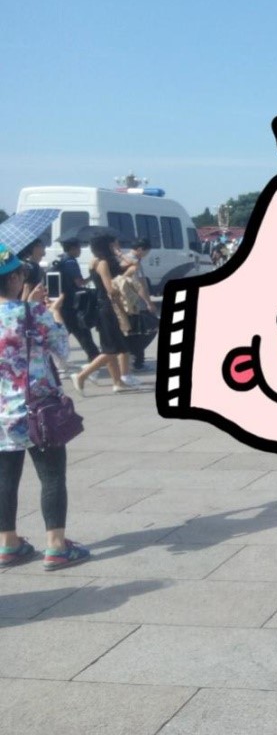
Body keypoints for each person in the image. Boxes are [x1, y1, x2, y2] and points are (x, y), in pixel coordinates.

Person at [0, 245, 90, 570]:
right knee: (51, 476)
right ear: (15, 278)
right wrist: (54, 312)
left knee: (5, 479)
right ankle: (56, 546)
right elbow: (63, 351)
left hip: (2, 414)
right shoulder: (34, 315)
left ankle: (8, 544)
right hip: (39, 410)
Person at [70, 234, 133, 393]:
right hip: (108, 308)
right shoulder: (103, 263)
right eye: (113, 245)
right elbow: (110, 289)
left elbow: (132, 264)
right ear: (107, 246)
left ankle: (117, 382)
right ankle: (82, 375)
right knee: (111, 349)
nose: (115, 247)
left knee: (115, 347)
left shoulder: (94, 261)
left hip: (103, 307)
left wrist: (118, 254)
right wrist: (121, 287)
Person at [122, 238, 160, 372]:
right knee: (150, 327)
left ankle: (138, 360)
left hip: (128, 302)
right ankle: (135, 357)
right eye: (147, 251)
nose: (147, 254)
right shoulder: (134, 262)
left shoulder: (125, 258)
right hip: (136, 302)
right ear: (140, 249)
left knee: (138, 330)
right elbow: (139, 285)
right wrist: (149, 303)